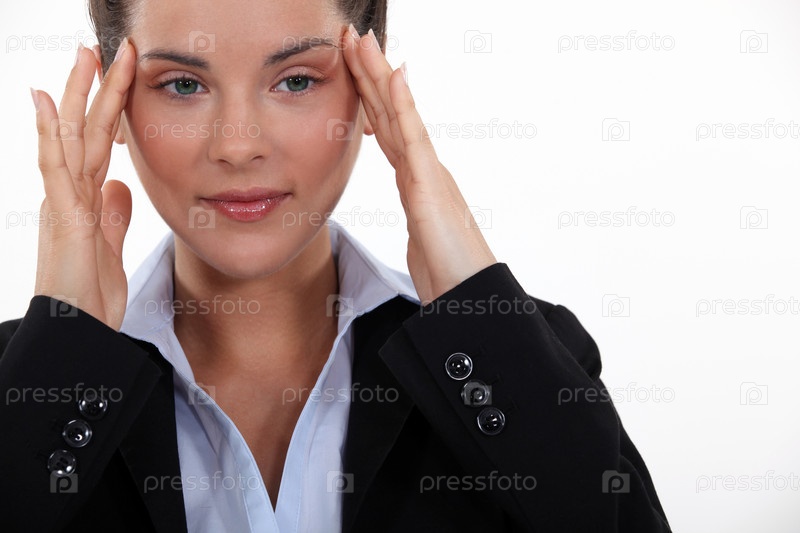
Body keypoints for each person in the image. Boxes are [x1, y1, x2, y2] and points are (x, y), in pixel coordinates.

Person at [0, 0, 672, 531]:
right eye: (182, 84)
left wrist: (474, 302)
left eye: (296, 80)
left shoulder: (519, 360)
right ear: (115, 107)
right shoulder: (24, 384)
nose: (238, 145)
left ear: (368, 85)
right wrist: (66, 348)